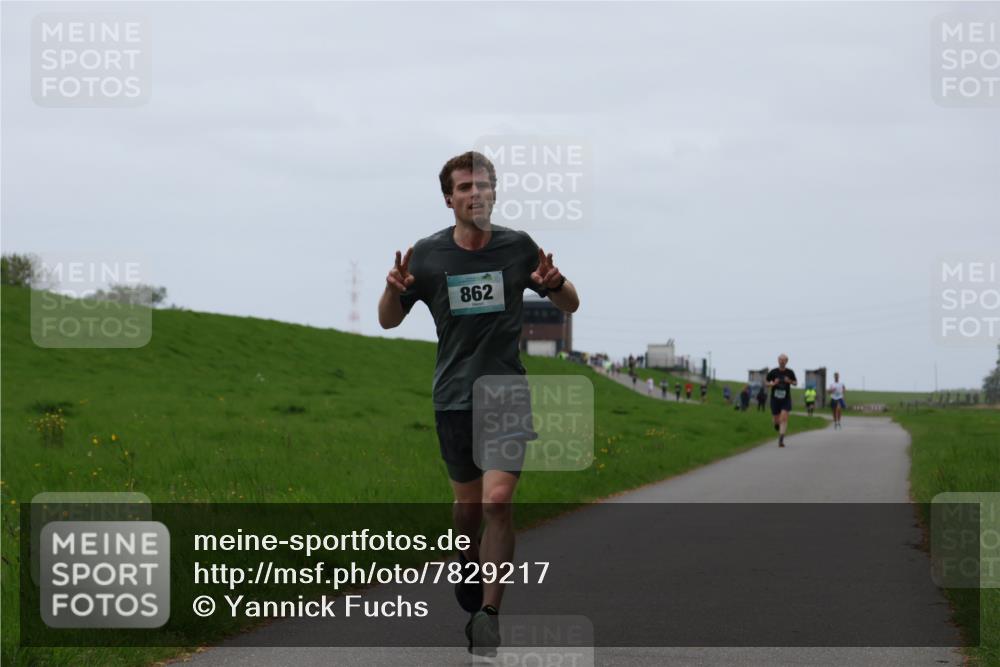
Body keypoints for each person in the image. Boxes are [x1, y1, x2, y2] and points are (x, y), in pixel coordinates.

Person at [378, 150, 579, 656]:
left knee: (497, 501)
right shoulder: (426, 256)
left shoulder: (518, 247)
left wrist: (555, 284)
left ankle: (489, 614)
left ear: (494, 192)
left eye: (482, 185)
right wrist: (391, 290)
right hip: (453, 397)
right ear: (449, 198)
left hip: (506, 392)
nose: (475, 194)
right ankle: (466, 558)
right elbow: (388, 321)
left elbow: (570, 302)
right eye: (464, 187)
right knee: (468, 508)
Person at [766, 354, 797, 447]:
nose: (782, 361)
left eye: (784, 360)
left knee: (783, 417)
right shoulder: (773, 372)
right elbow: (766, 382)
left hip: (785, 399)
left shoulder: (790, 372)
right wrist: (772, 384)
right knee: (776, 420)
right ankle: (777, 425)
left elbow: (795, 382)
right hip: (775, 399)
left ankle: (781, 439)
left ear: (787, 361)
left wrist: (790, 381)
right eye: (780, 359)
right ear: (778, 360)